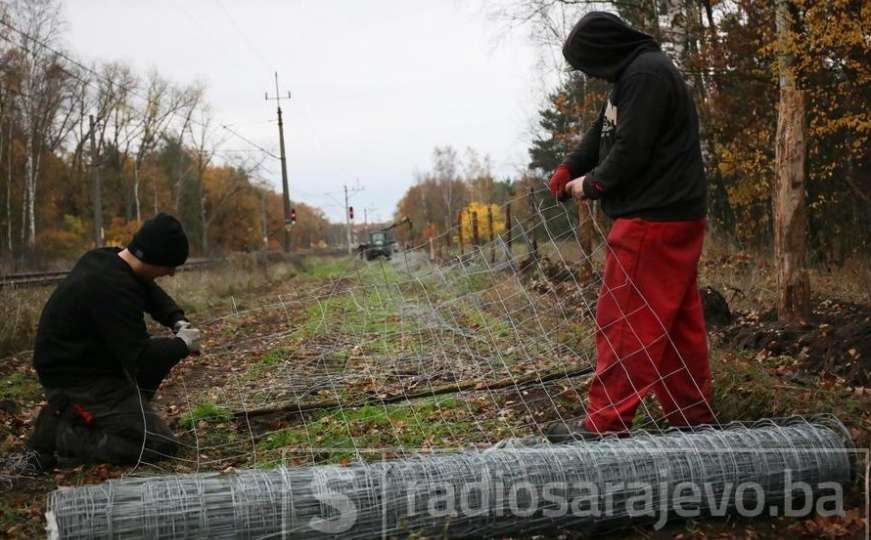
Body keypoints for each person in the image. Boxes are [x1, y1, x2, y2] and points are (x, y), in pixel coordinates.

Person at [546, 12, 715, 441]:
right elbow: (603, 131)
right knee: (677, 326)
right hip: (674, 215)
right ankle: (694, 421)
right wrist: (570, 165)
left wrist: (594, 183)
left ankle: (604, 423)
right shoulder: (635, 74)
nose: (590, 74)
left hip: (651, 219)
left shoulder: (645, 76)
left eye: (588, 64)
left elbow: (631, 148)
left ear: (604, 50)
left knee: (623, 322)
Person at [24, 212, 202, 470]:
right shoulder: (111, 289)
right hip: (77, 377)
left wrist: (176, 319)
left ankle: (112, 414)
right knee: (157, 445)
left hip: (88, 364)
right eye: (169, 266)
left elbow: (149, 290)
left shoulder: (108, 259)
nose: (172, 273)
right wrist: (182, 344)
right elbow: (142, 358)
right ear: (153, 258)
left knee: (142, 403)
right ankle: (63, 436)